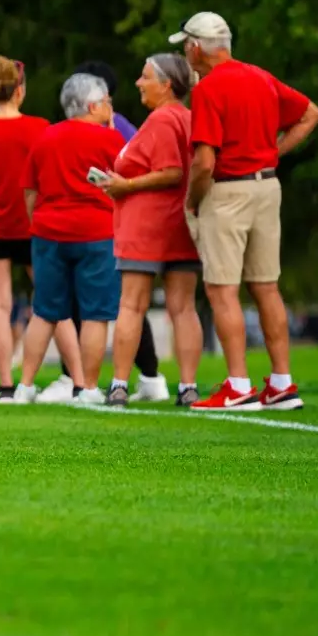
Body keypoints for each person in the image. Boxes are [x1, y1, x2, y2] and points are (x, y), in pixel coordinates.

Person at [176, 12, 318, 410]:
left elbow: (205, 161)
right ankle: (281, 383)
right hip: (267, 187)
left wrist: (191, 199)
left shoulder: (207, 89)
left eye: (184, 45)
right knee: (266, 286)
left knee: (222, 290)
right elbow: (311, 114)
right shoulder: (260, 76)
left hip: (227, 192)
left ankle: (238, 386)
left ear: (195, 47)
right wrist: (273, 153)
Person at [0, 56, 81, 403]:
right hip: (33, 225)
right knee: (53, 302)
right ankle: (79, 380)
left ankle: (5, 386)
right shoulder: (40, 127)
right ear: (20, 89)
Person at [10, 73, 125, 405]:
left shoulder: (46, 137)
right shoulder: (111, 140)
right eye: (105, 101)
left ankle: (25, 386)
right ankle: (88, 388)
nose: (109, 107)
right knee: (95, 314)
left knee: (45, 311)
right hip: (97, 233)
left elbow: (30, 190)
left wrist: (39, 224)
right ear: (92, 105)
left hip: (48, 234)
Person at [101, 54, 202, 407]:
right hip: (182, 225)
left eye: (145, 77)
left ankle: (118, 386)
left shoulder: (161, 120)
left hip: (147, 226)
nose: (138, 83)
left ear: (166, 85)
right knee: (184, 308)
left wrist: (125, 186)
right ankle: (187, 387)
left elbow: (171, 171)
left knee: (131, 306)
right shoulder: (190, 118)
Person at [75, 59, 165, 394]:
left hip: (117, 225)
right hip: (101, 225)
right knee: (124, 302)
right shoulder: (91, 127)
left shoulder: (123, 130)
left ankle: (148, 375)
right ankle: (148, 378)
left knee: (128, 302)